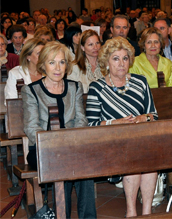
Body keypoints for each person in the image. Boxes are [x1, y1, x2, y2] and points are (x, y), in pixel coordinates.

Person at [21, 41, 97, 219]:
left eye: (62, 62)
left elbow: (81, 120)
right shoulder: (31, 91)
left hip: (73, 145)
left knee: (85, 162)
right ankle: (63, 216)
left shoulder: (74, 87)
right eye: (52, 62)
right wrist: (55, 146)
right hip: (42, 149)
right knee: (63, 162)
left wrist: (70, 144)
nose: (57, 67)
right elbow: (31, 127)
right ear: (43, 65)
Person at [86, 37, 158, 217]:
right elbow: (92, 124)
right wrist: (116, 123)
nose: (121, 63)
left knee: (148, 157)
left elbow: (154, 115)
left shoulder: (140, 82)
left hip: (139, 139)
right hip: (111, 141)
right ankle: (132, 212)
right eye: (115, 58)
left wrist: (143, 118)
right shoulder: (97, 87)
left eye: (125, 58)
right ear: (107, 62)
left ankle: (147, 212)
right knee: (135, 157)